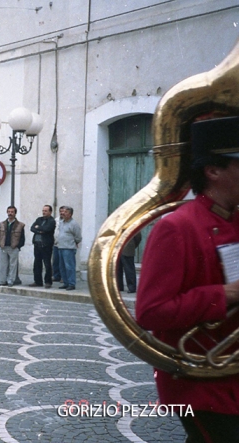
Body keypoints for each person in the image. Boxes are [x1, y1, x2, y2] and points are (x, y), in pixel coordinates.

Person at [137, 116, 239, 442]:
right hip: (204, 382)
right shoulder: (177, 226)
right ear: (213, 170)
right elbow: (151, 311)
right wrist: (226, 294)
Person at [0, 206, 25, 287]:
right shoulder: (2, 224)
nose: (10, 213)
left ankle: (10, 281)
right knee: (2, 265)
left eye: (12, 212)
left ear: (15, 213)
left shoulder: (20, 225)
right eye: (9, 211)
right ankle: (2, 281)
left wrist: (18, 246)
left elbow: (22, 237)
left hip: (13, 247)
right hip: (3, 247)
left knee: (12, 265)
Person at [29, 205, 56, 288]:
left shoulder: (52, 221)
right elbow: (32, 228)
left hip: (46, 245)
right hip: (37, 244)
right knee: (37, 263)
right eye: (43, 210)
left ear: (50, 212)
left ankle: (48, 281)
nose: (44, 212)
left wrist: (39, 228)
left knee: (47, 264)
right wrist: (40, 230)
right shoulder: (39, 219)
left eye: (46, 211)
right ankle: (37, 281)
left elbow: (47, 229)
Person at [56, 206, 82, 291]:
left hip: (69, 248)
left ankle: (71, 283)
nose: (63, 213)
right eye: (62, 212)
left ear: (70, 214)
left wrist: (75, 243)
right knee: (62, 266)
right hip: (60, 247)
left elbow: (78, 237)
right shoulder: (62, 222)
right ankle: (65, 283)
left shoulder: (74, 224)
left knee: (69, 266)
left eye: (65, 212)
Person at [52, 206, 65, 283]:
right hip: (56, 244)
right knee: (55, 261)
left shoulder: (68, 221)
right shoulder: (56, 220)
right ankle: (56, 276)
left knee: (63, 262)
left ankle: (63, 277)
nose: (61, 213)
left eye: (63, 211)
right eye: (60, 211)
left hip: (64, 245)